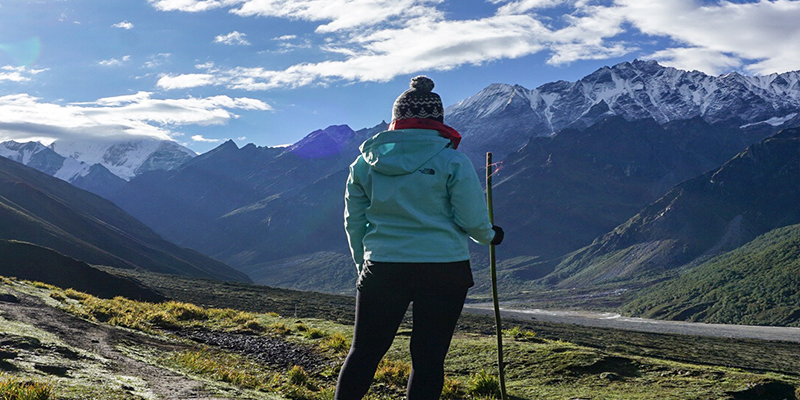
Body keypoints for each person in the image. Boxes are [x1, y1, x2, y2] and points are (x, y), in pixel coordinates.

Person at [336, 75, 504, 400]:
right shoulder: (453, 160)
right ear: (438, 121)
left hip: (383, 267)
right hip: (445, 269)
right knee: (428, 360)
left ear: (396, 120)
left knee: (364, 352)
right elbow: (471, 219)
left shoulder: (364, 164)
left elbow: (354, 223)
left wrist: (363, 264)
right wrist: (490, 236)